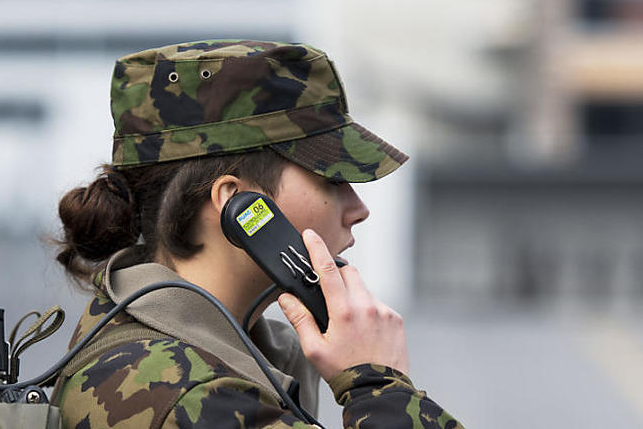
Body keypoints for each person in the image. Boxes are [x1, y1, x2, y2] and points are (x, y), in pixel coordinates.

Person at [50, 40, 463, 428]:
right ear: (238, 202)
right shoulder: (184, 396)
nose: (359, 209)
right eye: (332, 180)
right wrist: (378, 384)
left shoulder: (222, 357)